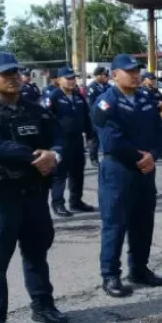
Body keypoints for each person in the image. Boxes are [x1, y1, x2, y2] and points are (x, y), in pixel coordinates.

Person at [0, 51, 69, 323]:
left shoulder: (34, 109)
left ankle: (43, 305)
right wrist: (37, 157)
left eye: (15, 72)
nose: (13, 78)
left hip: (34, 195)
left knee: (37, 253)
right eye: (4, 74)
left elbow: (58, 136)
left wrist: (55, 154)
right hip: (0, 198)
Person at [92, 54, 162, 298]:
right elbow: (111, 140)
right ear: (114, 75)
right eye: (129, 71)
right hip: (119, 170)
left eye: (137, 71)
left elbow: (157, 132)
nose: (136, 75)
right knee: (115, 224)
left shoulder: (145, 98)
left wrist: (152, 155)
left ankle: (139, 269)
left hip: (145, 170)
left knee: (144, 223)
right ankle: (110, 275)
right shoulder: (106, 102)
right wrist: (139, 157)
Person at [44, 66, 95, 217]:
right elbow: (45, 119)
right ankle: (58, 204)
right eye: (68, 78)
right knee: (60, 174)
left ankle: (76, 202)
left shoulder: (78, 96)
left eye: (73, 78)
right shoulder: (53, 97)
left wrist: (90, 135)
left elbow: (87, 117)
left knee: (78, 172)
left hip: (77, 140)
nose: (72, 81)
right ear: (59, 80)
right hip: (60, 141)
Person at [86, 67, 110, 167]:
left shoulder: (107, 86)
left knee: (106, 137)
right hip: (96, 117)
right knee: (95, 139)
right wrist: (107, 106)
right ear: (98, 75)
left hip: (107, 117)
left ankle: (107, 156)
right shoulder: (92, 87)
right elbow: (92, 104)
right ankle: (94, 158)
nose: (106, 77)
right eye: (104, 75)